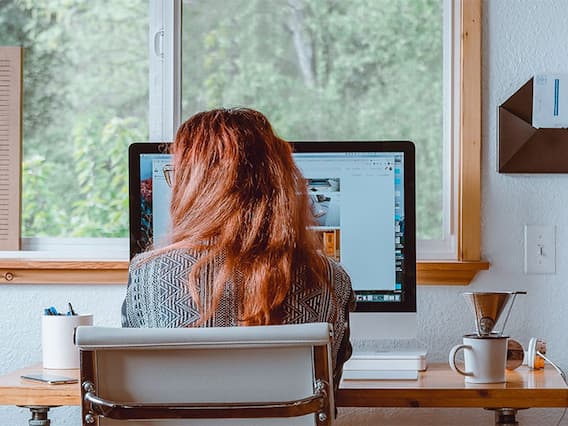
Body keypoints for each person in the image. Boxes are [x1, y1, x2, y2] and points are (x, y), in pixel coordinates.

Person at [122, 107, 355, 388]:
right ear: (279, 182)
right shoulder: (330, 278)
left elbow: (139, 378)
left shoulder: (148, 273)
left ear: (193, 186)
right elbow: (328, 389)